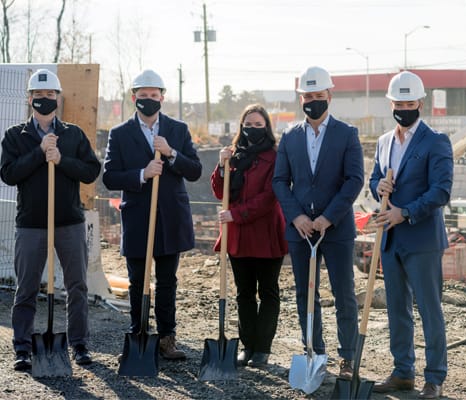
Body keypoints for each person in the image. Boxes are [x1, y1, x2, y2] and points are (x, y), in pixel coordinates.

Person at [1, 68, 101, 371]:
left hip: (68, 221)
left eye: (50, 95)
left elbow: (90, 171)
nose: (44, 100)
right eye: (38, 96)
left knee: (76, 286)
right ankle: (23, 347)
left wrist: (62, 160)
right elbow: (8, 173)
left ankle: (79, 344)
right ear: (29, 98)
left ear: (58, 98)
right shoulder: (15, 136)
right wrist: (39, 152)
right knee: (27, 287)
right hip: (31, 223)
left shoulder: (72, 134)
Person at [103, 69, 202, 361]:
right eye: (143, 95)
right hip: (137, 219)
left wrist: (171, 153)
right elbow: (110, 177)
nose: (148, 99)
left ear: (162, 97)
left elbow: (195, 170)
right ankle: (138, 336)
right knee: (137, 281)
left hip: (171, 217)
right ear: (134, 97)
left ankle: (167, 339)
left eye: (154, 95)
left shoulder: (178, 130)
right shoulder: (120, 134)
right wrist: (142, 174)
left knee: (167, 281)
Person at [272, 66, 363, 380]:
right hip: (300, 230)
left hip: (335, 230)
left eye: (318, 95)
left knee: (344, 294)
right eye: (307, 96)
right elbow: (280, 181)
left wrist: (327, 218)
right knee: (304, 293)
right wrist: (297, 216)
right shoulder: (289, 136)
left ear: (329, 96)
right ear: (300, 98)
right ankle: (314, 351)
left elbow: (354, 180)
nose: (312, 101)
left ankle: (348, 358)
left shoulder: (346, 134)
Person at [369, 71, 453, 400]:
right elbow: (376, 176)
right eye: (398, 103)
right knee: (397, 310)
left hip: (421, 239)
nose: (403, 108)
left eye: (409, 103)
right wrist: (379, 185)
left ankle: (434, 377)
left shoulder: (436, 142)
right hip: (391, 241)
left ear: (420, 103)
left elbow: (441, 191)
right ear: (391, 104)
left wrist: (403, 212)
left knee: (429, 309)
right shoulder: (384, 142)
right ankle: (403, 372)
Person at [211, 104, 288, 368]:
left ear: (266, 127)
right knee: (244, 293)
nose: (252, 129)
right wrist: (221, 166)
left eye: (258, 125)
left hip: (266, 233)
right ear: (240, 127)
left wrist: (238, 214)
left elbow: (270, 197)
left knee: (268, 291)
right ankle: (247, 346)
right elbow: (220, 191)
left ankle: (263, 348)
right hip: (239, 236)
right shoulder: (234, 156)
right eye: (248, 124)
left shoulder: (276, 157)